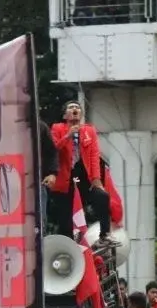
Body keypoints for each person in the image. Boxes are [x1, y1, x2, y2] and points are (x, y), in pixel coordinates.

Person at [49, 101, 113, 245]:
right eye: (71, 107)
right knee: (65, 220)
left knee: (102, 196)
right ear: (65, 115)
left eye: (77, 107)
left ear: (81, 114)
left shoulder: (89, 131)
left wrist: (96, 179)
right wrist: (67, 136)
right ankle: (67, 244)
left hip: (84, 177)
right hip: (65, 179)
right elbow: (53, 149)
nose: (75, 109)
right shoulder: (57, 128)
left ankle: (105, 235)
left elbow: (94, 156)